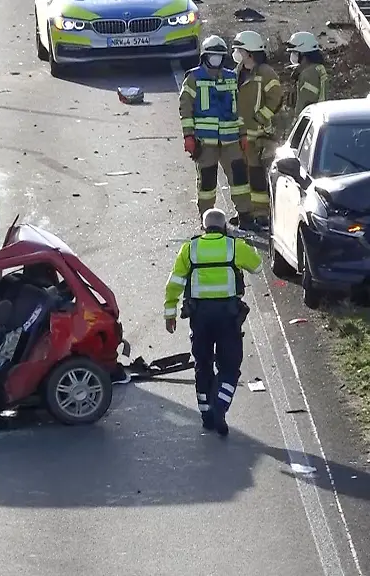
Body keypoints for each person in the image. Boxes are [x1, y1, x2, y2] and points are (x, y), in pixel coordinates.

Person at [163, 208, 263, 436]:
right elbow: (257, 267)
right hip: (228, 317)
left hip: (200, 318)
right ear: (225, 226)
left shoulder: (190, 249)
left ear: (203, 227)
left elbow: (174, 284)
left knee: (203, 364)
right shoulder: (233, 246)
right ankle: (220, 406)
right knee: (230, 366)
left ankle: (206, 414)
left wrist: (170, 314)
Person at [179, 36, 254, 230]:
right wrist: (188, 136)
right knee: (207, 183)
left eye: (219, 55)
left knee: (239, 180)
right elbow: (185, 108)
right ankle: (207, 220)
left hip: (231, 140)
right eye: (212, 55)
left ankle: (245, 216)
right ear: (204, 56)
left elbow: (239, 109)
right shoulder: (193, 78)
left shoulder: (231, 77)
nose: (216, 59)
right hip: (205, 142)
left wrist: (243, 134)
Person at [232, 31, 283, 230]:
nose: (236, 53)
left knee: (257, 174)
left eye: (240, 49)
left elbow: (276, 98)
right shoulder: (237, 72)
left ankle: (262, 213)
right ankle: (246, 211)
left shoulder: (266, 73)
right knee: (241, 175)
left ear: (250, 52)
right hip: (239, 133)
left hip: (259, 135)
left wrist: (259, 118)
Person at [285, 31, 329, 115]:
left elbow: (304, 105)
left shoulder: (308, 74)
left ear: (303, 54)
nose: (292, 55)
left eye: (295, 52)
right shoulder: (318, 68)